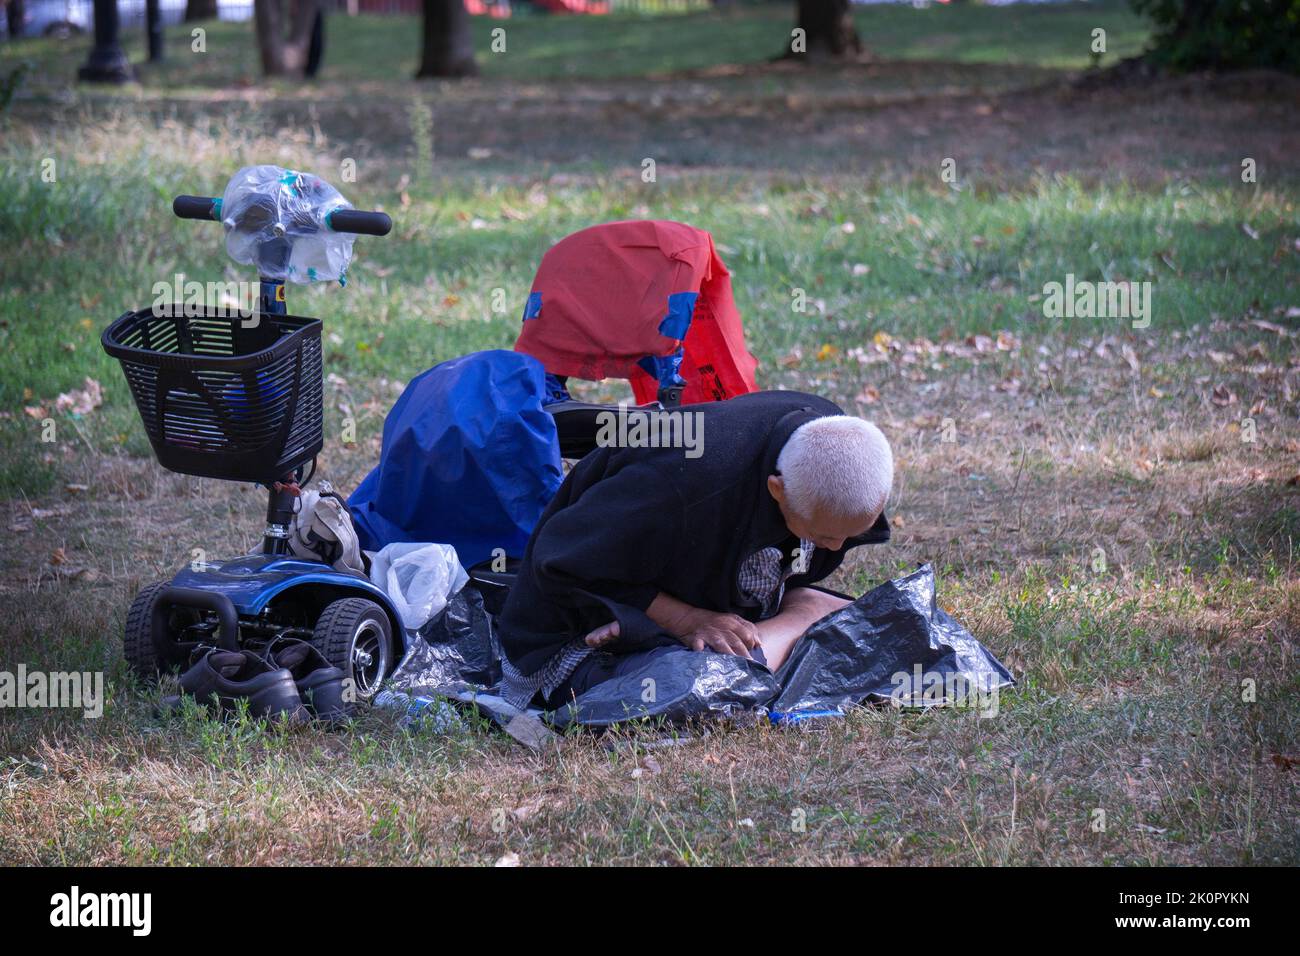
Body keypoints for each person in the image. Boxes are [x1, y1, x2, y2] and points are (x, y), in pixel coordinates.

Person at [496, 390, 893, 711]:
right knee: (703, 687)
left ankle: (794, 615)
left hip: (687, 596)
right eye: (823, 536)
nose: (836, 548)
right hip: (562, 636)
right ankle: (805, 617)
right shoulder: (674, 488)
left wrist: (668, 619)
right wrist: (683, 619)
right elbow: (558, 561)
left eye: (847, 536)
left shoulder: (828, 437)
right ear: (776, 488)